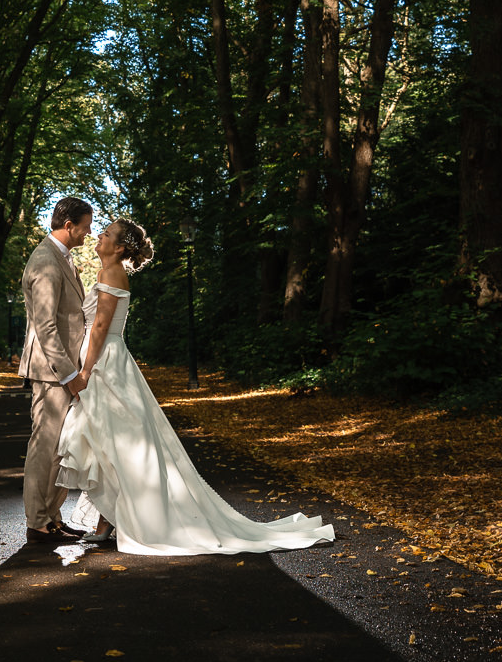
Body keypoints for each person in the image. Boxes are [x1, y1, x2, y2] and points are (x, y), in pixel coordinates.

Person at [56, 218, 334, 555]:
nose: (99, 234)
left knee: (115, 443)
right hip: (101, 358)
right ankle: (107, 521)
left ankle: (114, 521)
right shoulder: (104, 273)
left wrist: (85, 371)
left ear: (119, 247)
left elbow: (100, 327)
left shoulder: (113, 274)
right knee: (108, 443)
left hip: (103, 363)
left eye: (107, 233)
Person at [18, 196, 93, 544]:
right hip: (51, 371)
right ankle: (37, 523)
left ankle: (52, 518)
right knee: (45, 446)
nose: (87, 235)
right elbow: (46, 326)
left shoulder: (63, 259)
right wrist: (69, 374)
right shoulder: (46, 260)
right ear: (69, 226)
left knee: (61, 447)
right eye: (85, 228)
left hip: (63, 370)